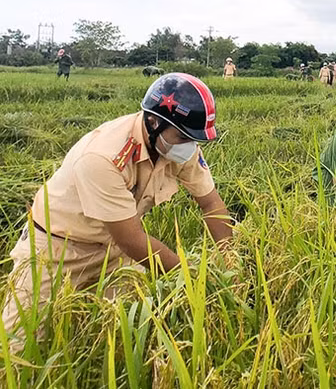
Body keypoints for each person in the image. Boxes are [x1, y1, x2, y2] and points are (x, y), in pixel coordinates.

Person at [2, 74, 234, 341]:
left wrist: (228, 261)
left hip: (114, 251)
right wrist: (193, 276)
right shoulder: (104, 156)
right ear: (154, 122)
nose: (189, 147)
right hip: (56, 249)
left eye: (193, 139)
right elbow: (131, 239)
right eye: (183, 137)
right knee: (19, 341)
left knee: (129, 331)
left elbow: (211, 203)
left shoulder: (177, 146)